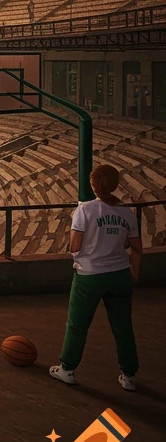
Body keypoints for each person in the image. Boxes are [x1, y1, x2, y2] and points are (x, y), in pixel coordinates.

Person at [50, 165, 141, 391]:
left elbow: (75, 246)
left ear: (94, 185)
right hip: (119, 274)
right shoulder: (127, 213)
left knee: (77, 325)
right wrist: (135, 273)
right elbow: (138, 248)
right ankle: (129, 376)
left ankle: (67, 369)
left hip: (89, 274)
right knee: (123, 327)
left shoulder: (85, 210)